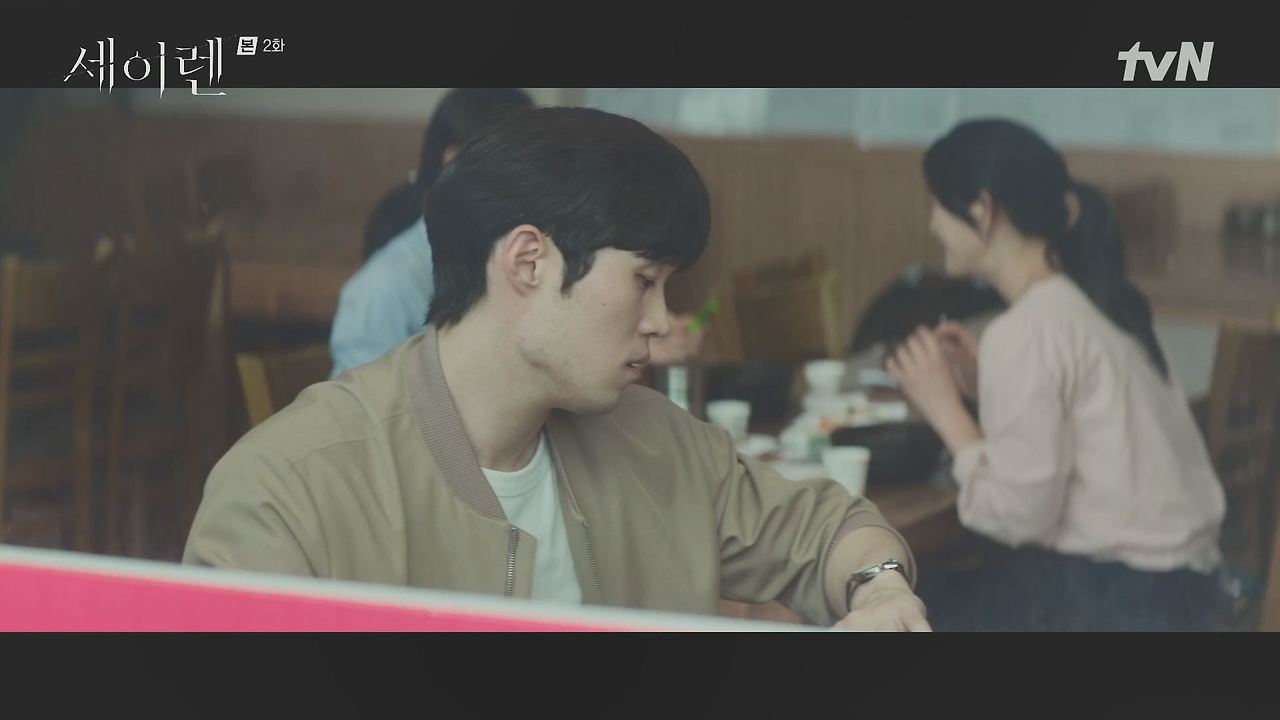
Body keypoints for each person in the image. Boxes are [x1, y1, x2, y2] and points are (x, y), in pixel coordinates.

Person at [185, 107, 929, 630]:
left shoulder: (652, 440)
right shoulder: (288, 490)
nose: (661, 320)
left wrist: (879, 589)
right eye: (644, 281)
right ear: (529, 261)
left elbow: (833, 529)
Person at [887, 118, 1225, 631]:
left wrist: (946, 411)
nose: (933, 223)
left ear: (983, 209)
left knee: (896, 605)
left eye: (938, 204)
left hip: (1119, 603)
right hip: (1184, 592)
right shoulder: (1093, 298)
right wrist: (986, 384)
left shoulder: (1027, 329)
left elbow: (1018, 515)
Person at [329, 88, 535, 378]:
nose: (533, 186)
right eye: (516, 167)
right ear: (455, 163)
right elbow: (360, 404)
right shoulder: (382, 288)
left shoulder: (519, 260)